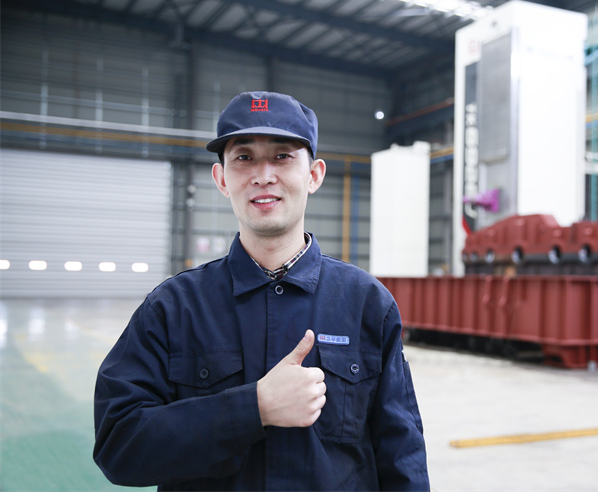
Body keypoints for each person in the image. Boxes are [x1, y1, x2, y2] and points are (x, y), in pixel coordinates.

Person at [93, 91, 430, 491]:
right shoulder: (173, 308)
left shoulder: (366, 304)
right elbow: (119, 445)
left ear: (314, 175)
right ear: (222, 179)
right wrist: (253, 408)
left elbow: (403, 459)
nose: (263, 175)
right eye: (244, 157)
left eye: (282, 156)